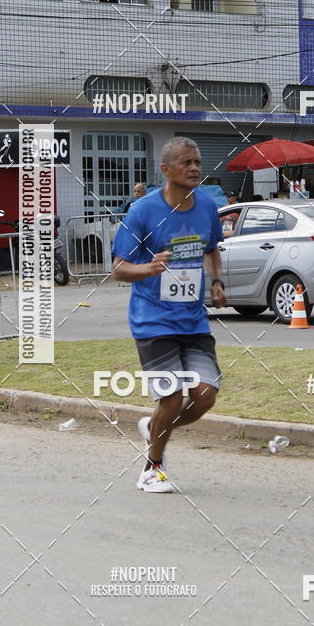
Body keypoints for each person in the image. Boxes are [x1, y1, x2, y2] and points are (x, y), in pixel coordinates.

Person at [111, 137, 226, 493]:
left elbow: (212, 250)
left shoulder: (206, 207)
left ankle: (157, 427)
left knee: (205, 395)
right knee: (172, 398)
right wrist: (148, 269)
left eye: (197, 162)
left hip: (192, 319)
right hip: (152, 320)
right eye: (186, 163)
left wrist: (217, 281)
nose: (194, 168)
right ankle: (152, 467)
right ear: (166, 170)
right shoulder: (143, 211)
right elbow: (118, 268)